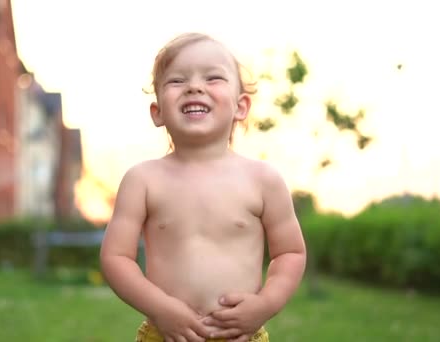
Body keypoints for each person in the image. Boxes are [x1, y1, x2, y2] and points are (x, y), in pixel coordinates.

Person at [100, 32, 306, 342]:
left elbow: (290, 251)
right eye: (176, 81)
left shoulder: (263, 180)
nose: (195, 87)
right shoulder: (142, 180)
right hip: (167, 334)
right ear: (157, 112)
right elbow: (115, 257)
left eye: (212, 78)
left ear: (241, 107)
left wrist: (265, 304)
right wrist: (161, 308)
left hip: (241, 336)